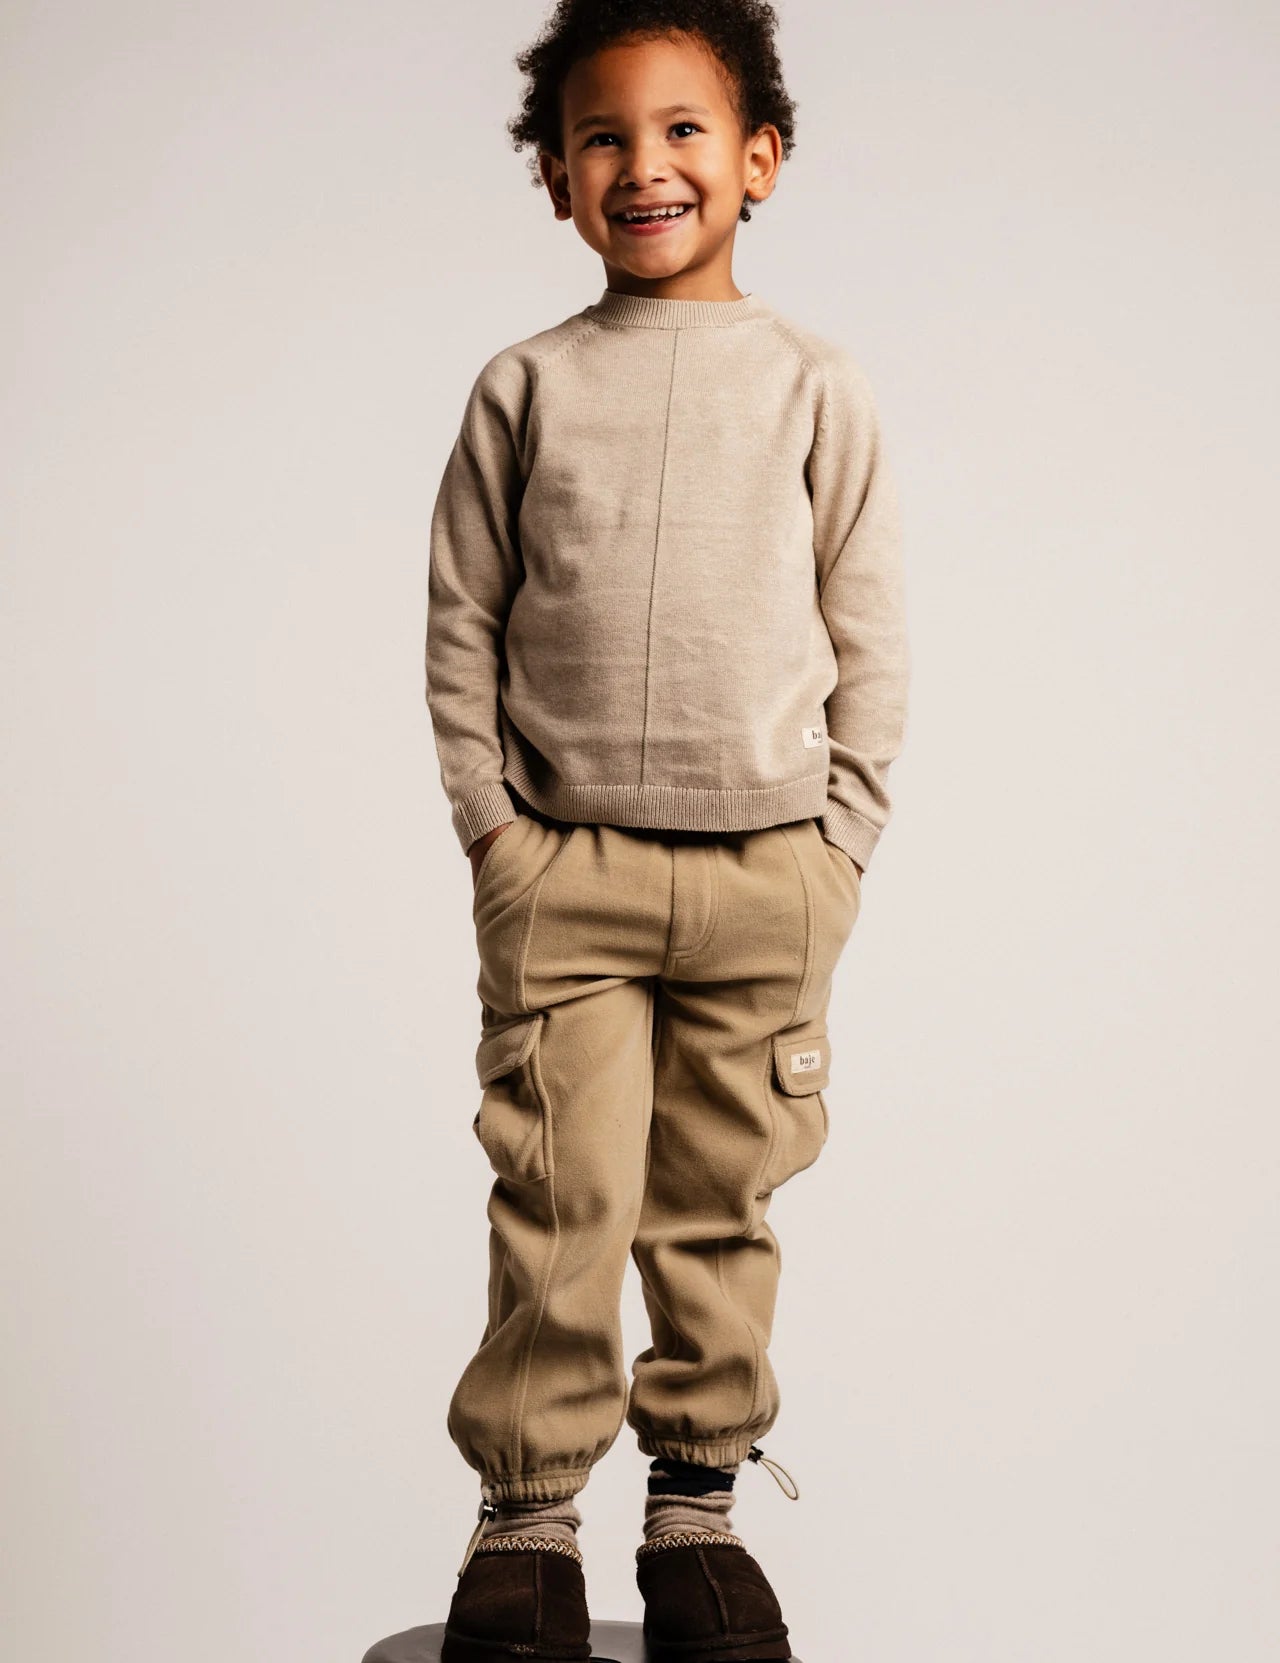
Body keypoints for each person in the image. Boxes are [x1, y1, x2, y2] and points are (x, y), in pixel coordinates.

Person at [423, 3, 910, 1658]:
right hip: (566, 873)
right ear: (558, 177)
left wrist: (839, 846)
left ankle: (695, 1515)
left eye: (686, 129)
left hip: (770, 875)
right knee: (560, 1198)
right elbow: (461, 623)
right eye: (604, 137)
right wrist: (496, 836)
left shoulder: (815, 387)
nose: (647, 165)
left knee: (719, 1201)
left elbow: (870, 629)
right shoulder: (527, 388)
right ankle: (528, 1524)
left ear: (759, 158)